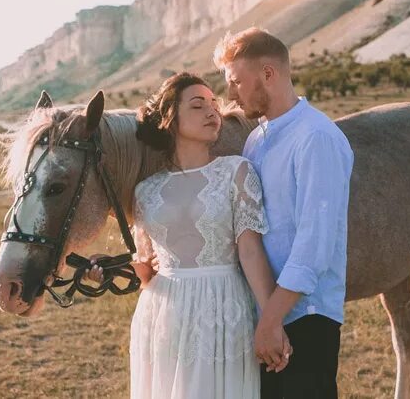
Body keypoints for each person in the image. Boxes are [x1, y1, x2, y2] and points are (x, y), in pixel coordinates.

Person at [90, 72, 291, 399]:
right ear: (170, 118)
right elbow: (148, 269)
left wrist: (272, 321)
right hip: (161, 315)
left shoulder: (236, 172)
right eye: (199, 105)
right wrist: (117, 268)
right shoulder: (145, 191)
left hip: (223, 307)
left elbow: (251, 253)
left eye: (214, 104)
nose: (213, 112)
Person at [214, 28, 354, 399]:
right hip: (268, 315)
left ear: (268, 75)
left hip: (306, 317)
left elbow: (314, 245)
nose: (230, 94)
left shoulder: (316, 137)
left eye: (236, 82)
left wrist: (271, 320)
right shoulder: (256, 140)